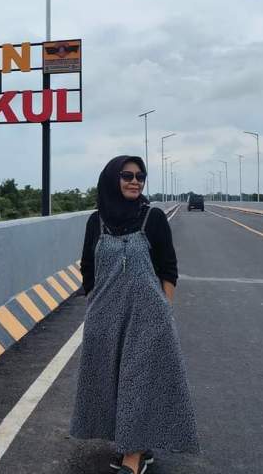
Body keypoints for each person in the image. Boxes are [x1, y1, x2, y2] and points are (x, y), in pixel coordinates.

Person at [69, 155, 200, 474]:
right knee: (111, 381)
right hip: (104, 318)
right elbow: (88, 267)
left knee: (138, 381)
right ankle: (138, 443)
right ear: (112, 179)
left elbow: (168, 268)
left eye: (140, 176)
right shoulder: (96, 221)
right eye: (127, 175)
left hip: (147, 318)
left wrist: (163, 311)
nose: (134, 181)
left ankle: (132, 457)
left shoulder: (152, 219)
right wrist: (95, 302)